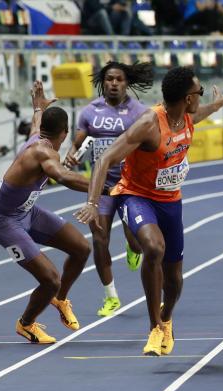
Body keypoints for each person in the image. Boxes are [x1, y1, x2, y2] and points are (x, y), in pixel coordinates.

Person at [76, 66, 223, 356]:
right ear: (187, 98)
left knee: (173, 279)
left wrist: (220, 103)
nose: (200, 96)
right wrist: (93, 202)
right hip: (136, 196)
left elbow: (202, 112)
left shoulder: (186, 116)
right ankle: (154, 327)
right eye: (198, 92)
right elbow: (105, 159)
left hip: (171, 202)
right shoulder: (149, 123)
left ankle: (167, 317)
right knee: (153, 248)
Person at [0, 81, 91, 344]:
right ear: (65, 133)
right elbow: (63, 177)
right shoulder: (44, 153)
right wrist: (104, 187)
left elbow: (36, 123)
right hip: (4, 223)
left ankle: (61, 299)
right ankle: (26, 324)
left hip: (27, 212)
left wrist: (38, 105)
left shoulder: (37, 136)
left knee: (81, 248)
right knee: (50, 279)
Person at [65, 61, 152, 317]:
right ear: (103, 82)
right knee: (100, 239)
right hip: (100, 187)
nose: (114, 83)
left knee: (137, 241)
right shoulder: (90, 111)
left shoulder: (139, 112)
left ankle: (132, 248)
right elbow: (79, 142)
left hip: (129, 185)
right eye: (110, 79)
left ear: (127, 83)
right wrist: (72, 155)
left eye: (119, 79)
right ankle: (111, 296)